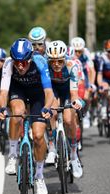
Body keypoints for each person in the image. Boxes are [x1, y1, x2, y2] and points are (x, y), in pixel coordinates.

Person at [0, 38, 54, 194]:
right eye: (17, 62)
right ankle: (13, 154)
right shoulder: (8, 64)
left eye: (23, 62)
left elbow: (49, 92)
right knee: (17, 112)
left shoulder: (40, 61)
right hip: (18, 91)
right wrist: (1, 108)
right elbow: (3, 93)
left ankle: (40, 176)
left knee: (37, 135)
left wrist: (47, 108)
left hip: (37, 94)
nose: (20, 66)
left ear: (30, 58)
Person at [45, 40, 84, 178]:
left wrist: (75, 102)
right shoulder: (45, 66)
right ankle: (51, 146)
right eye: (53, 61)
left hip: (68, 91)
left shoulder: (71, 66)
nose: (56, 64)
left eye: (60, 61)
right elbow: (47, 91)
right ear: (48, 60)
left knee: (68, 119)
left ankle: (74, 156)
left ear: (65, 59)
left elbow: (74, 93)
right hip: (53, 91)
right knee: (51, 112)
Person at [71, 37, 96, 128]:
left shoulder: (86, 53)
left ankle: (86, 113)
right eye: (76, 51)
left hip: (83, 73)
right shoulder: (69, 52)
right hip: (72, 73)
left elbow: (92, 70)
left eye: (79, 51)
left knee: (86, 94)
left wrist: (91, 84)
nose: (77, 53)